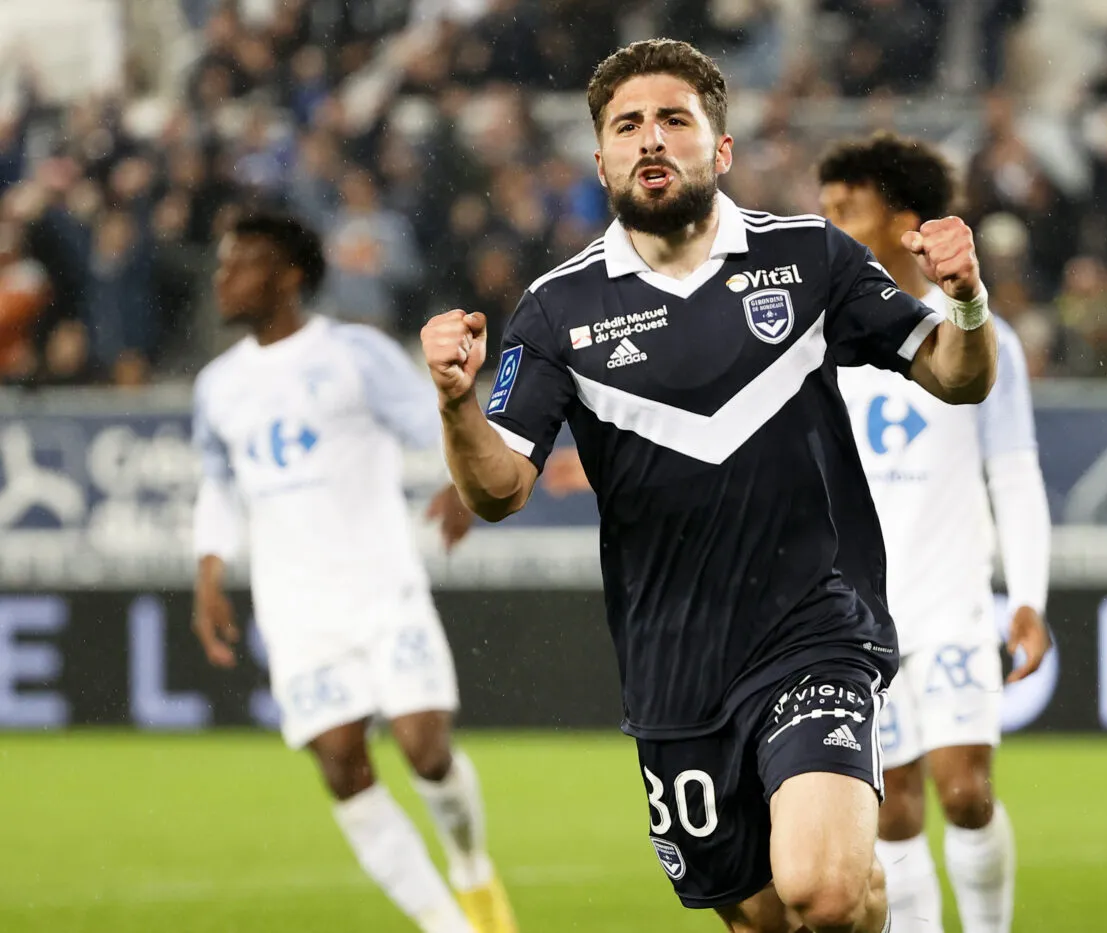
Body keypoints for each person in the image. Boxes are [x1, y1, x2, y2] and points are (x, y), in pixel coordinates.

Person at [422, 39, 998, 932]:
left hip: (815, 629)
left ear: (720, 148)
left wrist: (965, 300)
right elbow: (498, 489)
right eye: (628, 126)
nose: (651, 139)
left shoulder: (809, 257)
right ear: (602, 160)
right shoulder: (557, 311)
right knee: (763, 918)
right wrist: (457, 403)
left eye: (674, 120)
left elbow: (956, 375)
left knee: (822, 891)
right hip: (673, 663)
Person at [190, 211, 516, 933]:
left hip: (381, 588)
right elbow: (218, 485)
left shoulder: (354, 353)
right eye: (223, 263)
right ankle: (452, 927)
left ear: (287, 276)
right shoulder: (217, 385)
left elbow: (437, 419)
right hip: (295, 612)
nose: (223, 277)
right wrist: (208, 575)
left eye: (241, 263)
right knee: (341, 765)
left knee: (425, 751)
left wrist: (462, 481)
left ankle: (471, 867)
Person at [819, 133, 1052, 933]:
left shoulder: (981, 337)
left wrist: (1028, 597)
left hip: (952, 601)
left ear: (902, 222)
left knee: (965, 789)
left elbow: (1013, 473)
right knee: (893, 812)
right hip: (857, 615)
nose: (829, 226)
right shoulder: (815, 339)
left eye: (847, 210)